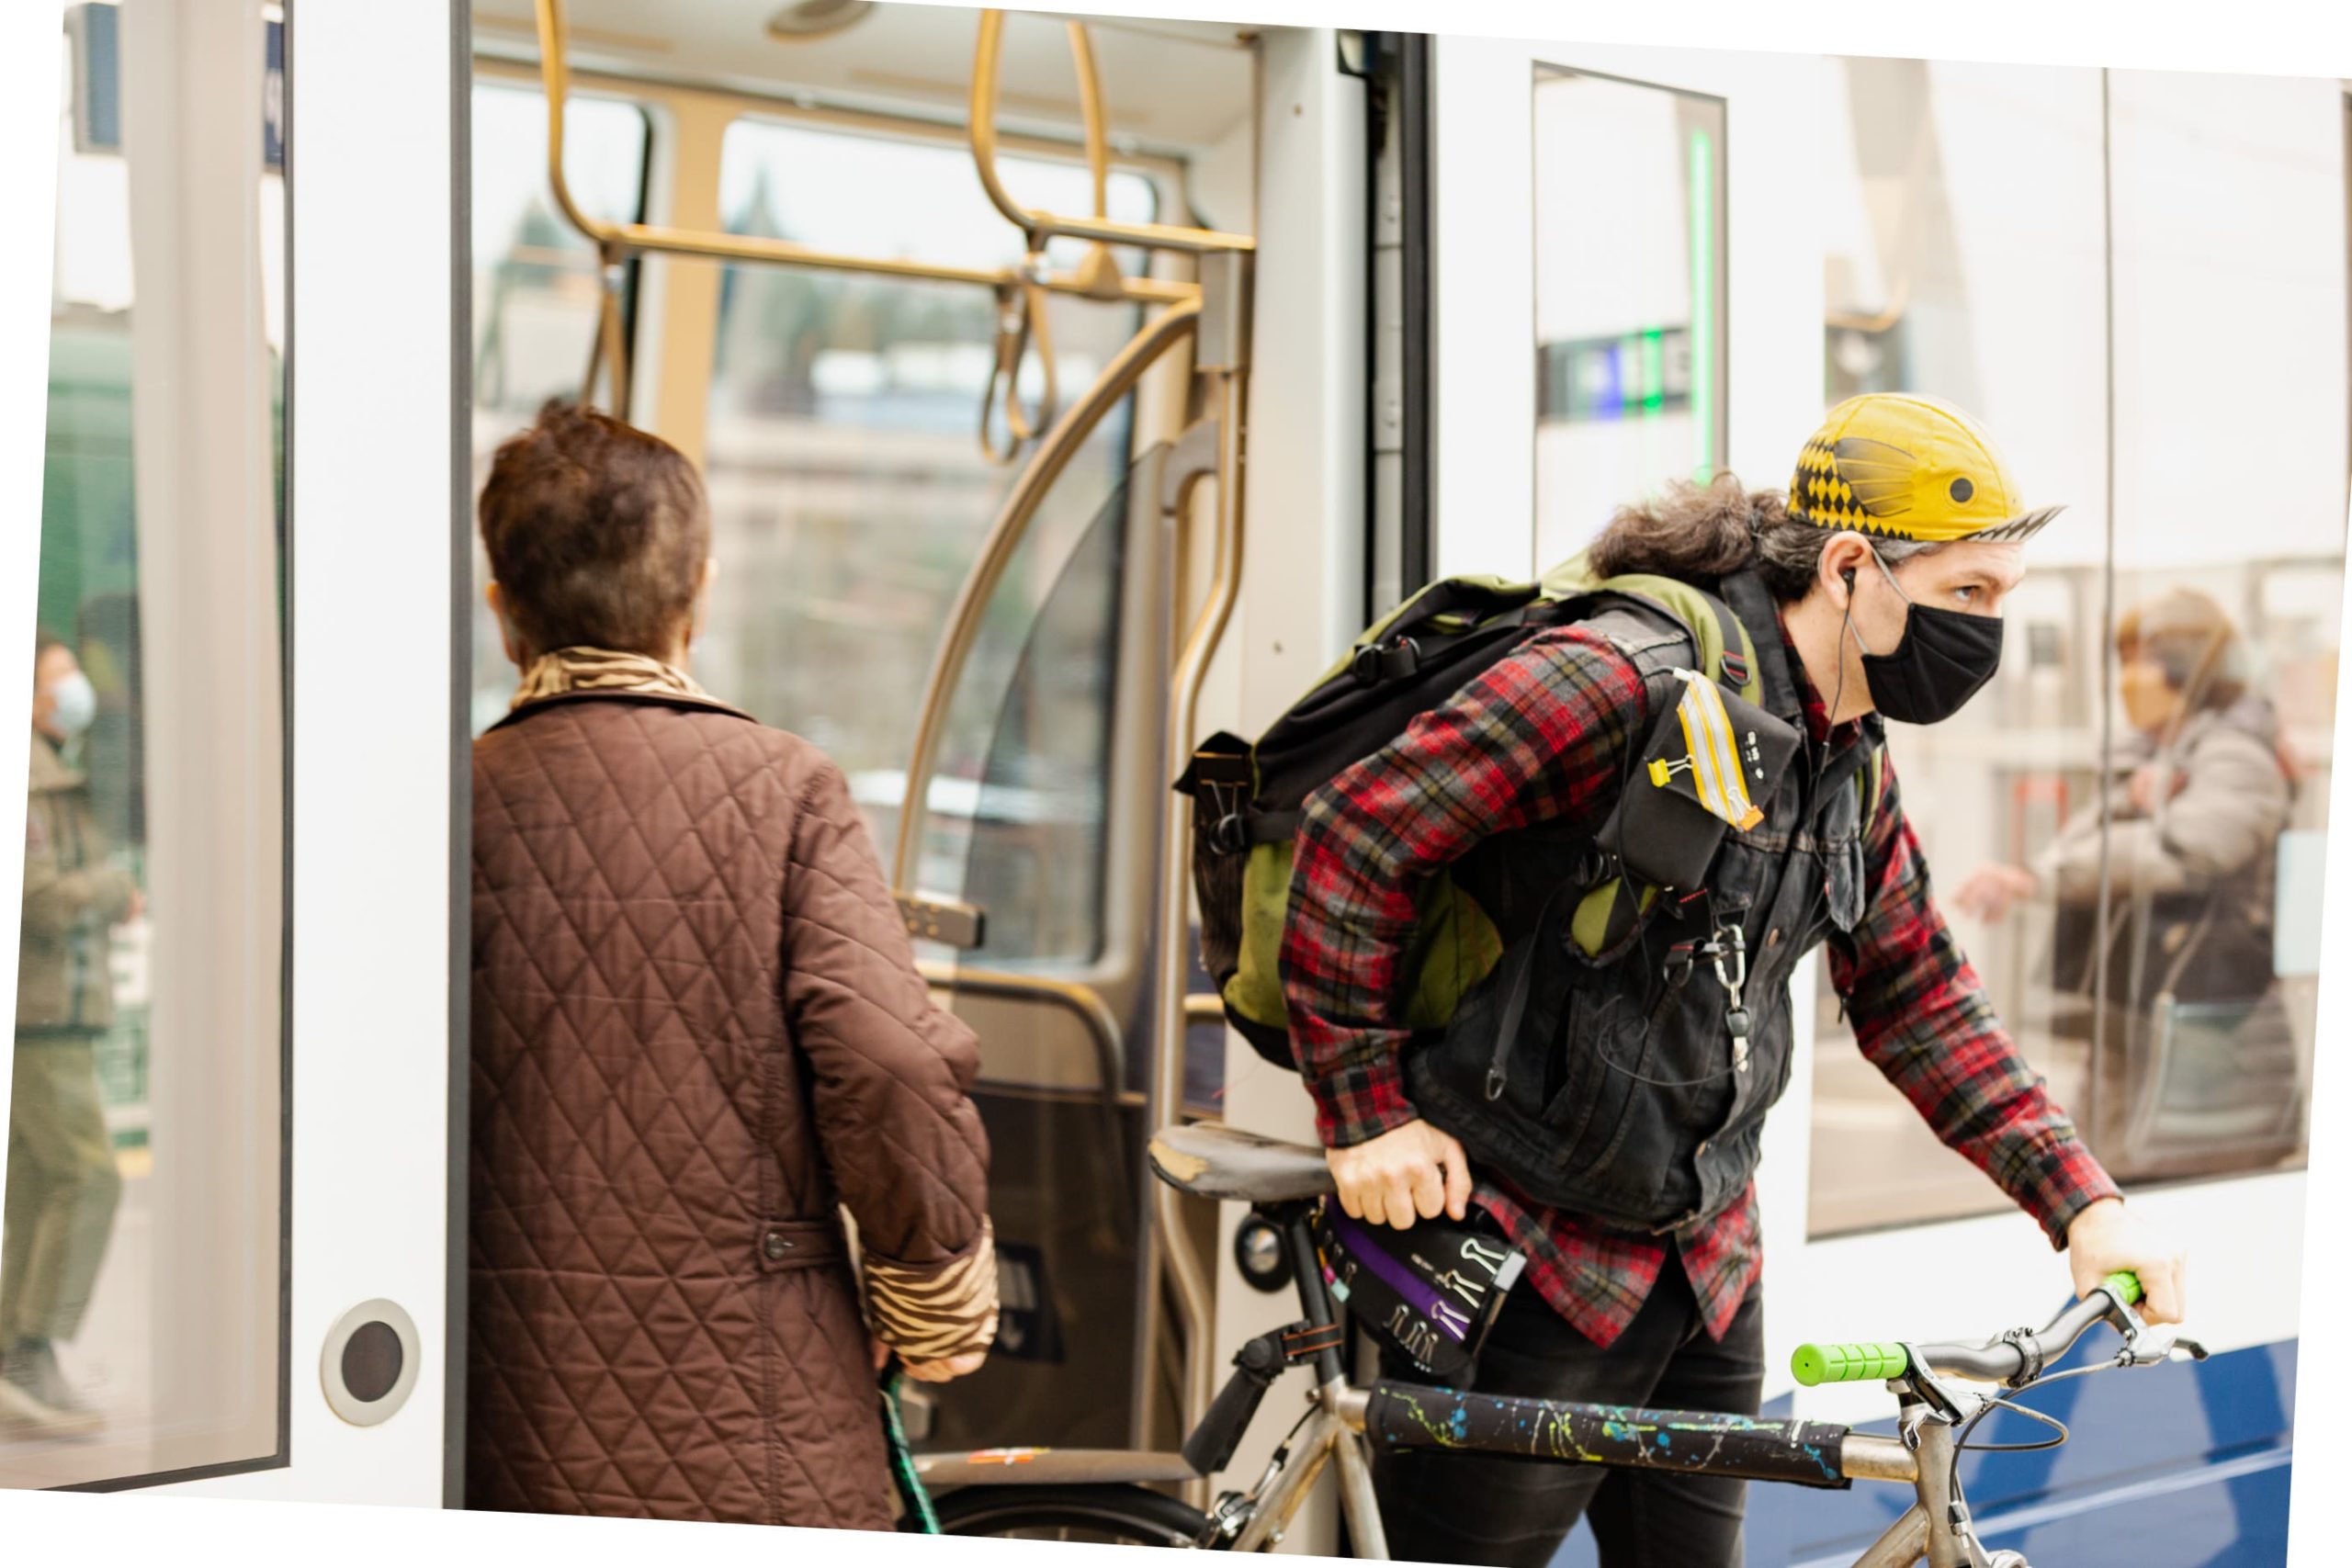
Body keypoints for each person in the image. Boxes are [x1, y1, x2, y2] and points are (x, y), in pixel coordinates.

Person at [1280, 393, 2187, 1568]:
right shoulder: (1620, 678)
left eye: (2003, 599)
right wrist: (1365, 1115)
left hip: (1707, 1270)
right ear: (1853, 566)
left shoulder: (1845, 755)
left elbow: (1914, 992)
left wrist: (2083, 1202)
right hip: (1528, 1261)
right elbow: (1356, 833)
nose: (1989, 632)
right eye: (1969, 593)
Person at [467, 402, 997, 1529]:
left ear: (502, 613)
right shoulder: (784, 788)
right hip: (758, 1431)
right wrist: (934, 1288)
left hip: (488, 1422)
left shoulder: (444, 802)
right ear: (696, 594)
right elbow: (890, 1060)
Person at [1954, 588, 2294, 1159]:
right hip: (2138, 1018)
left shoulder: (2237, 755)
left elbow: (2185, 855)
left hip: (2211, 1027)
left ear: (2188, 665)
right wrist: (2034, 875)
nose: (2131, 678)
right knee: (2107, 1166)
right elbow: (2089, 843)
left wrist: (2149, 805)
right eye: (2126, 661)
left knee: (2184, 1179)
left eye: (2147, 660)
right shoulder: (2151, 755)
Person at [5, 632, 138, 1441]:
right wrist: (116, 886)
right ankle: (28, 1352)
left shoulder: (58, 771)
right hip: (39, 1015)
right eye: (60, 677)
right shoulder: (27, 776)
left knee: (35, 1184)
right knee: (89, 1175)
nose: (78, 688)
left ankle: (13, 1357)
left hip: (53, 1011)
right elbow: (43, 899)